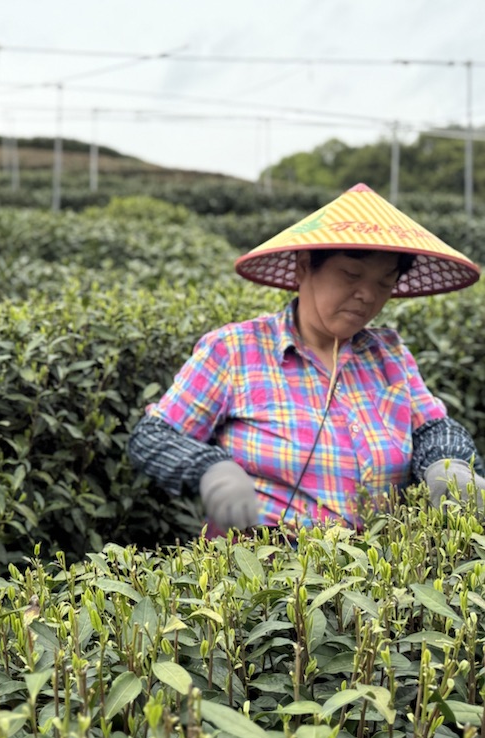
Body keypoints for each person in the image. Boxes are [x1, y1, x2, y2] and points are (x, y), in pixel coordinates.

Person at [127, 183, 485, 535]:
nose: (367, 296)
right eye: (351, 275)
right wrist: (209, 469)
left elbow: (432, 427)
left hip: (380, 575)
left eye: (383, 283)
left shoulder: (389, 355)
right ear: (303, 267)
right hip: (265, 575)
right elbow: (155, 435)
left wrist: (447, 463)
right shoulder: (234, 350)